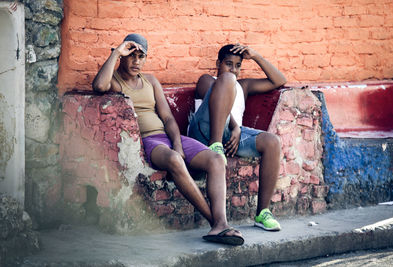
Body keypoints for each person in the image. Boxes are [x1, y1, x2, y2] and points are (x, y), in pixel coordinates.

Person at [92, 34, 244, 245]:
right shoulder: (116, 82)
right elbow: (99, 86)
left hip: (168, 137)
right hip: (148, 142)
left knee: (216, 160)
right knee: (174, 159)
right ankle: (217, 225)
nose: (137, 61)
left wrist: (179, 144)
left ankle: (221, 223)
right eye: (131, 55)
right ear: (123, 56)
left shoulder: (150, 81)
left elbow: (168, 118)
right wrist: (116, 52)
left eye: (141, 56)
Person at [188, 43, 287, 231]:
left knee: (272, 142)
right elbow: (219, 103)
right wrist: (235, 127)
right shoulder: (207, 80)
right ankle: (215, 145)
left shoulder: (244, 86)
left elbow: (279, 80)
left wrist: (256, 56)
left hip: (233, 135)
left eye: (238, 65)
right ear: (218, 63)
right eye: (228, 64)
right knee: (226, 80)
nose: (233, 69)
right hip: (203, 133)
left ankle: (262, 212)